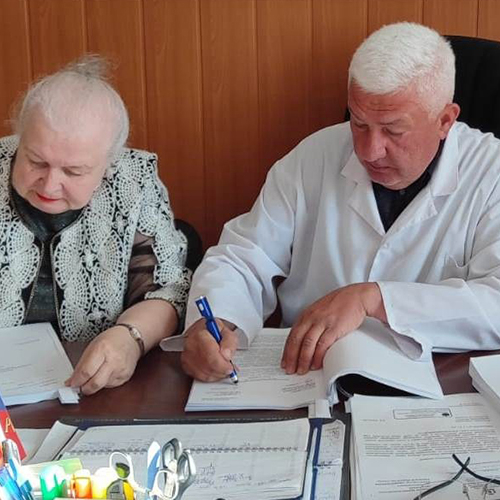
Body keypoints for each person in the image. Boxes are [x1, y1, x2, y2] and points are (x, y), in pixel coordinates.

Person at [179, 22, 500, 382]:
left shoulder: (492, 172)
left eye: (392, 130)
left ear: (445, 120)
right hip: (309, 376)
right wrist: (215, 322)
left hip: (439, 382)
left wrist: (375, 300)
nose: (369, 151)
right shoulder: (312, 156)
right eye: (359, 124)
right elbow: (244, 257)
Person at [1, 56, 191, 394]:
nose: (49, 185)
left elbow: (168, 290)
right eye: (35, 161)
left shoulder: (134, 181)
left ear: (109, 161)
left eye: (73, 171)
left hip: (97, 390)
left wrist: (130, 338)